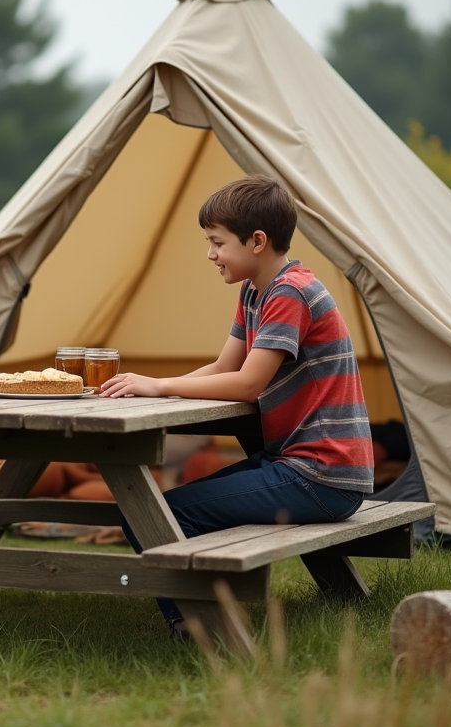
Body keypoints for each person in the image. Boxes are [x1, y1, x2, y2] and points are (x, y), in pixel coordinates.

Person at [99, 174, 374, 638]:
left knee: (154, 516)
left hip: (321, 475)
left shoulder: (291, 293)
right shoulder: (256, 291)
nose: (210, 254)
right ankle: (205, 611)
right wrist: (153, 386)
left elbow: (247, 384)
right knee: (156, 511)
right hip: (305, 468)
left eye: (217, 242)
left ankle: (195, 627)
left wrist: (162, 387)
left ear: (258, 241)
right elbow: (226, 364)